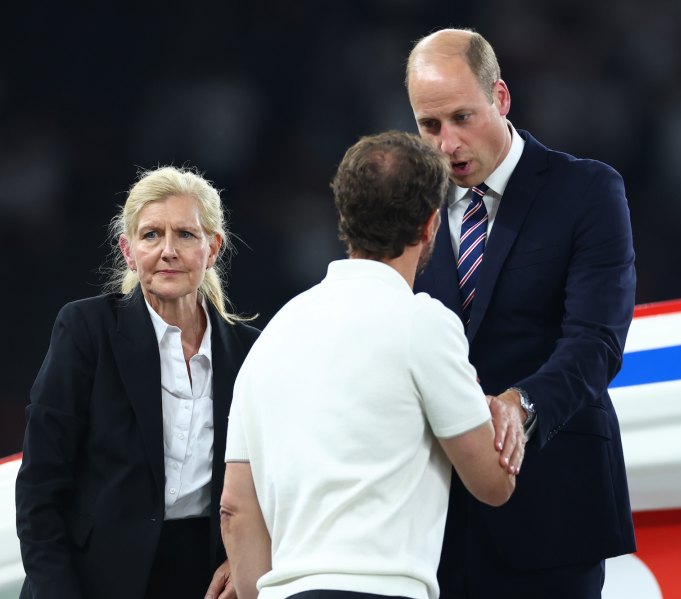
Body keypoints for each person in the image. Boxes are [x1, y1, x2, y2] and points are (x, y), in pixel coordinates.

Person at [220, 130, 524, 599]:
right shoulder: (423, 323)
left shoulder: (272, 336)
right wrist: (503, 415)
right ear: (430, 225)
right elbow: (492, 483)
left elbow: (235, 509)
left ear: (344, 216)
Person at [404, 28, 637, 597]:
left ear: (501, 97)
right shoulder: (406, 209)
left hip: (553, 507)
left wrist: (522, 404)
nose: (447, 144)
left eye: (462, 118)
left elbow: (597, 341)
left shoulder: (586, 190)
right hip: (433, 526)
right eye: (429, 125)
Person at [15, 166, 261, 599]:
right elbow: (40, 489)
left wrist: (243, 559)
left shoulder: (248, 351)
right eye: (151, 235)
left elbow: (274, 481)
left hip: (206, 581)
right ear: (128, 251)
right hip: (91, 581)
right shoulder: (86, 329)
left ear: (213, 248)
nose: (168, 250)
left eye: (185, 234)